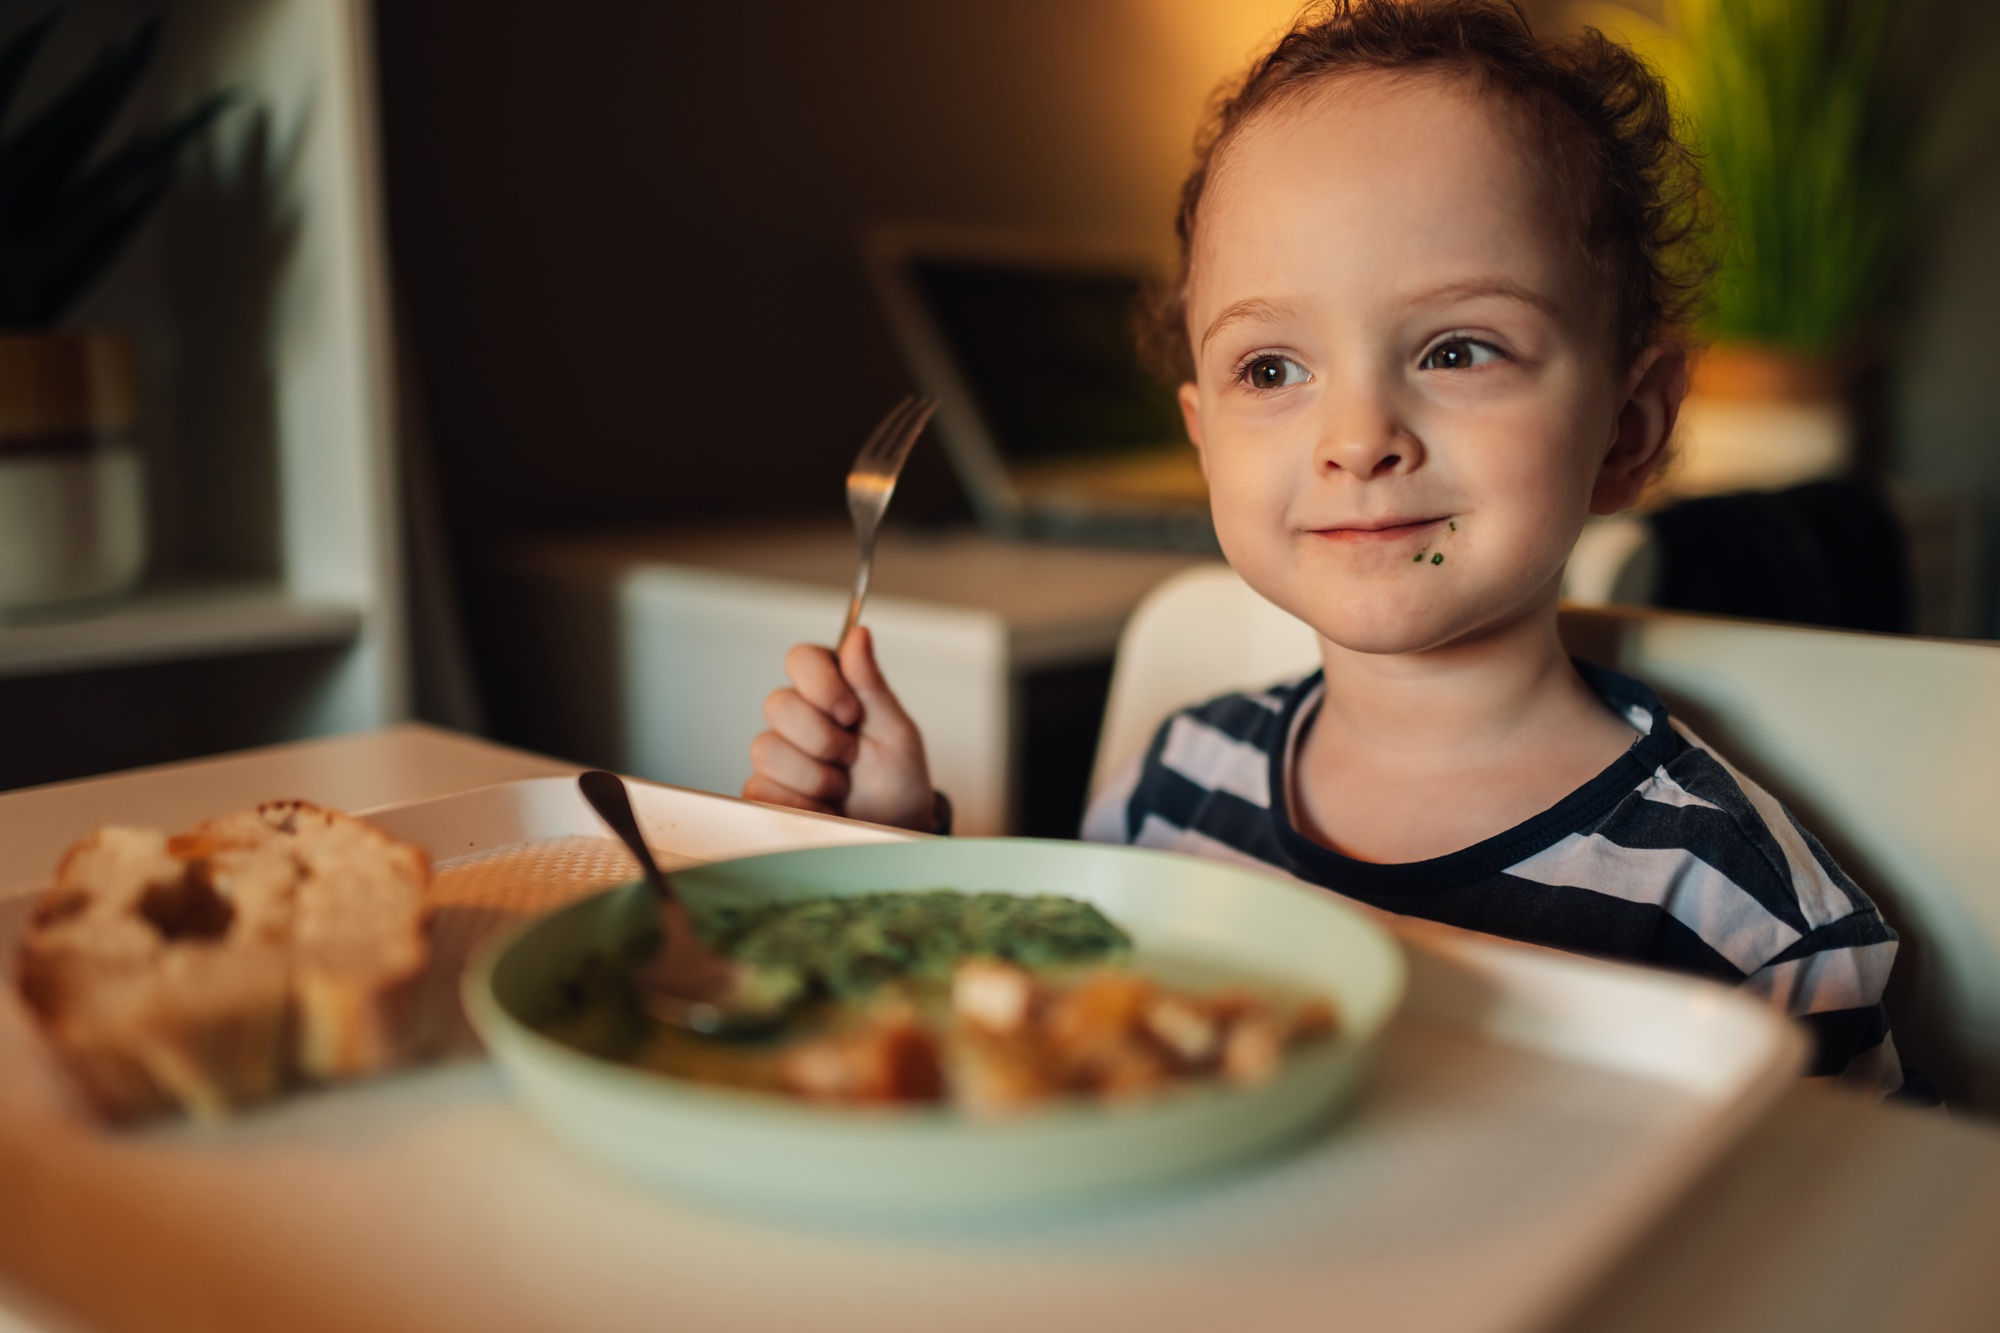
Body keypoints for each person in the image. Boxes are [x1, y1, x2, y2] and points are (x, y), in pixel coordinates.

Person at [743, 0, 1908, 1095]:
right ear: (1203, 442)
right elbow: (1057, 1068)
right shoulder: (1168, 784)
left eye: (1456, 349)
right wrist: (884, 854)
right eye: (1271, 369)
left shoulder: (1747, 920)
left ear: (1629, 424)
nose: (1355, 439)